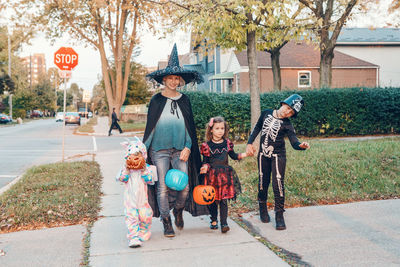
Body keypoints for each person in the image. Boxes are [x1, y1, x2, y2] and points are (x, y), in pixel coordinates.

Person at [143, 44, 208, 238]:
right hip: (159, 150)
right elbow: (151, 128)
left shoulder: (184, 100)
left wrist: (188, 147)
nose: (173, 81)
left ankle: (178, 210)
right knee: (162, 187)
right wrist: (141, 151)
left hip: (180, 150)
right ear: (164, 79)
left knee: (184, 187)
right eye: (169, 78)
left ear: (180, 80)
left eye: (176, 78)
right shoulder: (156, 101)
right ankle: (166, 221)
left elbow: (189, 127)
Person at [246, 94, 310, 230]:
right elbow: (257, 128)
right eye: (288, 108)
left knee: (278, 184)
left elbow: (294, 141)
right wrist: (249, 143)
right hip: (263, 154)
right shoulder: (266, 113)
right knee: (263, 182)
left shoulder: (287, 124)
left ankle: (279, 215)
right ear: (283, 104)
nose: (287, 112)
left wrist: (301, 146)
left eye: (291, 112)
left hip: (278, 156)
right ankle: (262, 207)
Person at [199, 116, 249, 233]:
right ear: (211, 130)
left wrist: (246, 154)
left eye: (222, 128)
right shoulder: (207, 146)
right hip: (212, 176)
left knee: (224, 200)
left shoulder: (227, 143)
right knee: (212, 199)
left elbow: (234, 156)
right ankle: (213, 219)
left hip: (225, 176)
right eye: (217, 128)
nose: (220, 131)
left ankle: (224, 223)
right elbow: (205, 161)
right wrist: (204, 167)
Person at [116, 137, 155, 248]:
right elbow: (122, 179)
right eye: (131, 157)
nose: (134, 159)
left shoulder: (146, 168)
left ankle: (144, 231)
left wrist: (143, 170)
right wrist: (127, 171)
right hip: (130, 199)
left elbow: (150, 180)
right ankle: (134, 237)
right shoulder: (126, 169)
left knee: (145, 216)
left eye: (137, 157)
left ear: (143, 157)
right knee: (131, 216)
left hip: (142, 200)